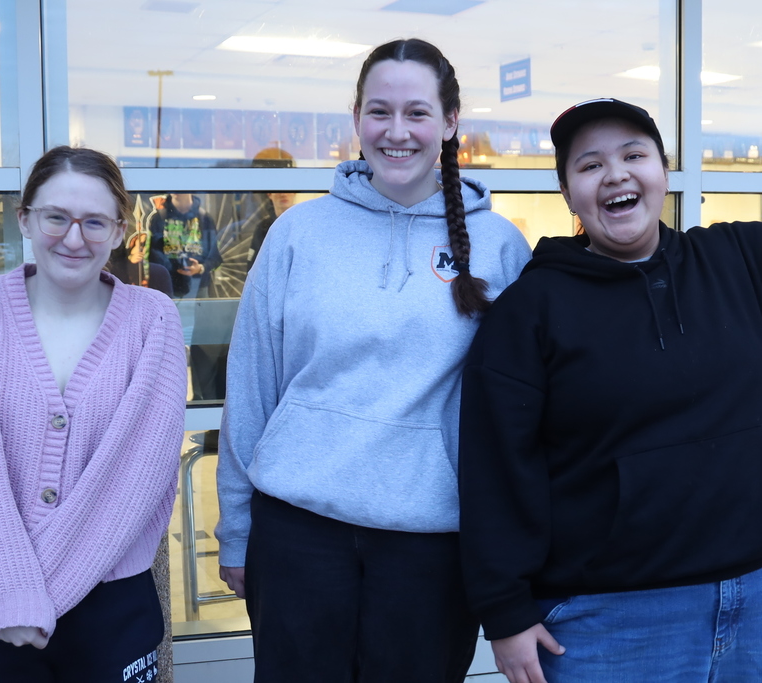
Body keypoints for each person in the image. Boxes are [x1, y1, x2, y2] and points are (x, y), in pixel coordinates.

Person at [457, 98, 762, 683]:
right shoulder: (532, 311)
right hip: (614, 618)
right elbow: (495, 467)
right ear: (568, 193)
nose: (615, 174)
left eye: (633, 155)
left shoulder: (743, 262)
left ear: (663, 172)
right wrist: (505, 612)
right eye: (589, 166)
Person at [214, 38, 532, 682]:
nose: (396, 132)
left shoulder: (499, 246)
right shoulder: (298, 235)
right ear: (356, 118)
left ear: (448, 124)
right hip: (297, 535)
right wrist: (237, 529)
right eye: (378, 111)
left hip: (433, 545)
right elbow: (251, 390)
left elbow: (519, 417)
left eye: (417, 113)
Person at [0, 146, 188, 682]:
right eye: (56, 217)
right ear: (24, 218)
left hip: (109, 605)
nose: (74, 238)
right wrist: (7, 592)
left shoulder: (152, 318)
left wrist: (38, 594)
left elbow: (138, 473)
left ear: (119, 231)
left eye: (94, 221)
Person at [147, 192, 222, 298]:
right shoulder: (158, 218)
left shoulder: (205, 219)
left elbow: (215, 258)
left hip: (198, 289)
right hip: (167, 288)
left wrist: (201, 268)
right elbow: (152, 259)